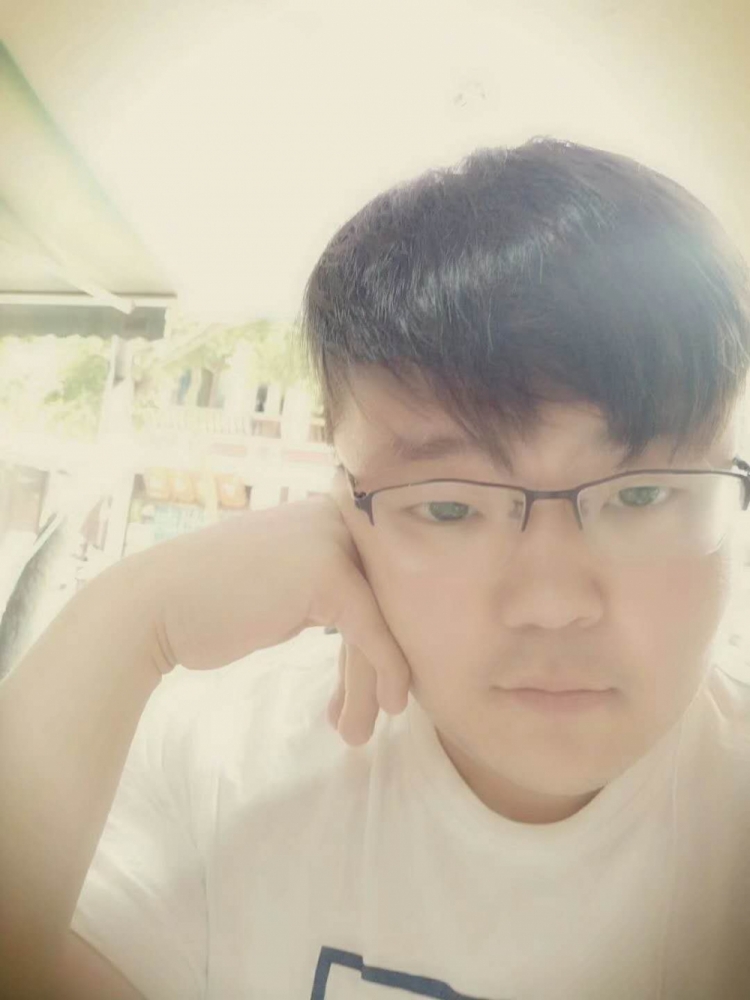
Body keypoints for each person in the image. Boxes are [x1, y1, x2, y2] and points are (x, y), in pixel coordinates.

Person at [2, 137, 750, 1000]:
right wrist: (135, 617)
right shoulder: (220, 763)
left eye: (644, 495)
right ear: (343, 514)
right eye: (448, 508)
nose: (552, 602)